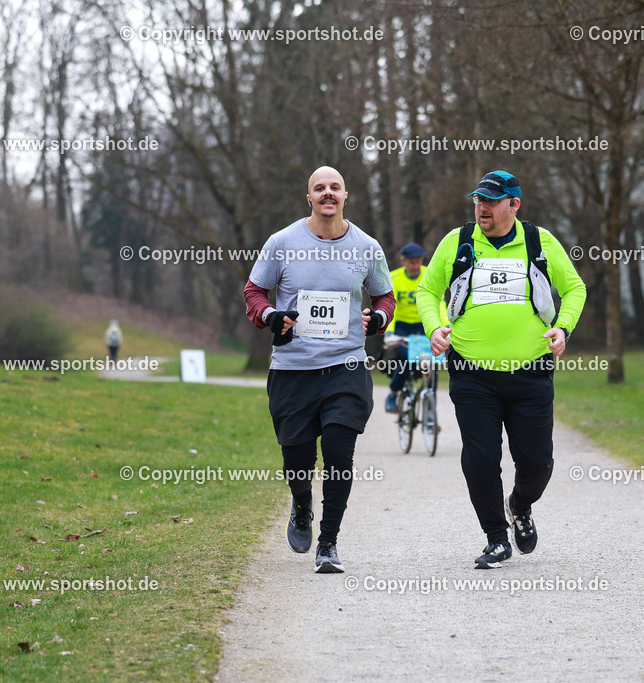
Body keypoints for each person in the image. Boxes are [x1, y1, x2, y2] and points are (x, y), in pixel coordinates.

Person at [416, 170, 586, 569]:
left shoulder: (537, 242)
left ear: (514, 204)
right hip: (472, 373)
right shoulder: (458, 242)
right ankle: (495, 537)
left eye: (491, 201)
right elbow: (427, 290)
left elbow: (575, 287)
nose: (482, 208)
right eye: (478, 200)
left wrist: (563, 328)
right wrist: (433, 328)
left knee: (537, 463)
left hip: (530, 372)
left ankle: (520, 505)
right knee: (479, 457)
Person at [243, 166, 395, 573]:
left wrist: (378, 320)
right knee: (297, 459)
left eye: (335, 187)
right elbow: (254, 292)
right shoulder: (282, 242)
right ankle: (301, 502)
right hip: (293, 370)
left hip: (346, 366)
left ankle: (328, 543)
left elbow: (385, 297)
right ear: (308, 198)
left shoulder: (367, 247)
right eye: (319, 188)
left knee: (339, 454)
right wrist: (272, 316)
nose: (328, 193)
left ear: (346, 195)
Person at [384, 242, 428, 413]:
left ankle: (430, 411)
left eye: (419, 261)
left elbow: (439, 303)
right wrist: (389, 333)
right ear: (403, 261)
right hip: (401, 328)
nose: (416, 266)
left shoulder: (428, 275)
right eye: (412, 262)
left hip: (423, 325)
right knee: (407, 359)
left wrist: (444, 326)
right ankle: (393, 394)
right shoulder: (393, 278)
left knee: (430, 364)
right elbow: (390, 307)